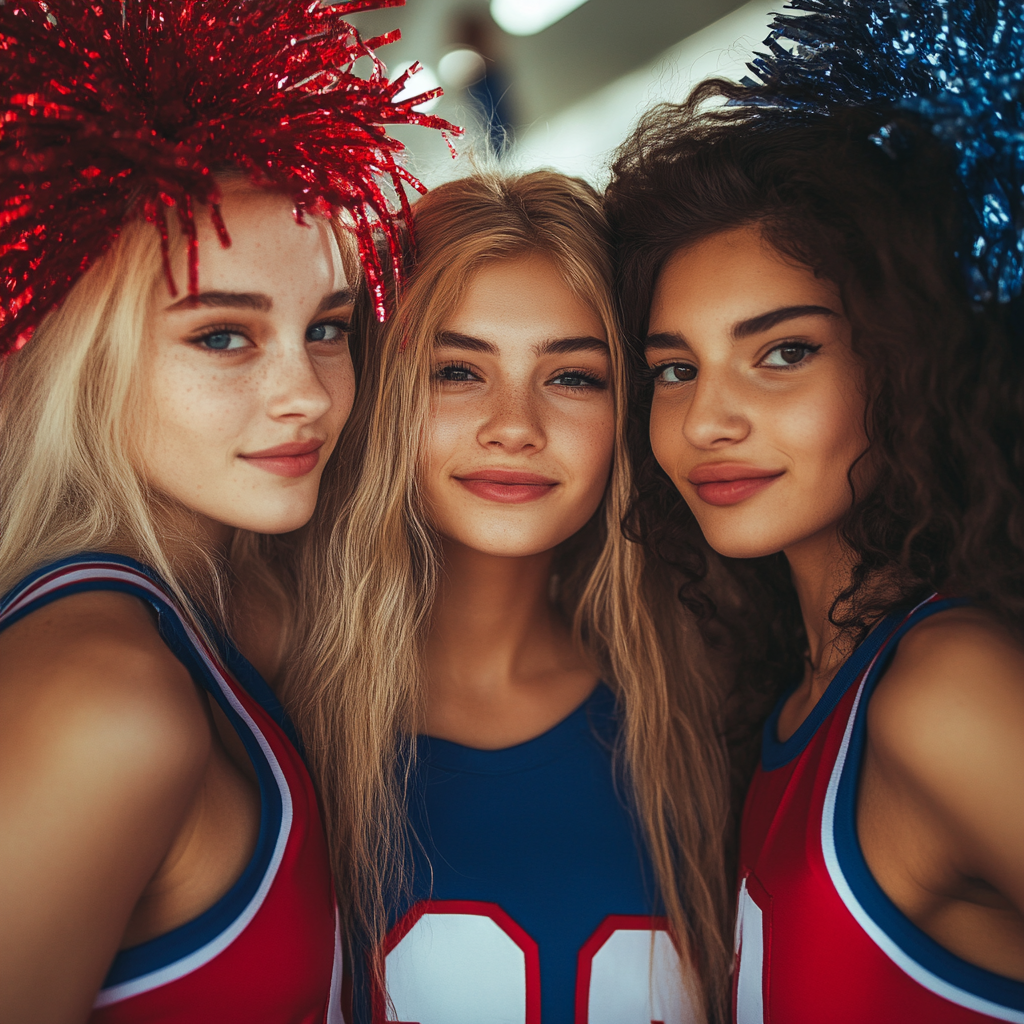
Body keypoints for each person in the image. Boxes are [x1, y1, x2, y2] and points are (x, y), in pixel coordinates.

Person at [0, 2, 453, 1021]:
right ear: (85, 356)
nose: (307, 392)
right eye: (223, 337)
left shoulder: (241, 617)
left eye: (329, 327)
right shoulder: (103, 696)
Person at [605, 0, 1024, 1021]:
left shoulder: (942, 688)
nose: (708, 418)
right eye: (673, 368)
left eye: (782, 352)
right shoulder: (788, 700)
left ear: (899, 359)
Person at [287, 171, 733, 1024]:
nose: (515, 424)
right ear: (379, 389)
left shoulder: (707, 700)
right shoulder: (267, 700)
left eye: (572, 378)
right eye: (458, 370)